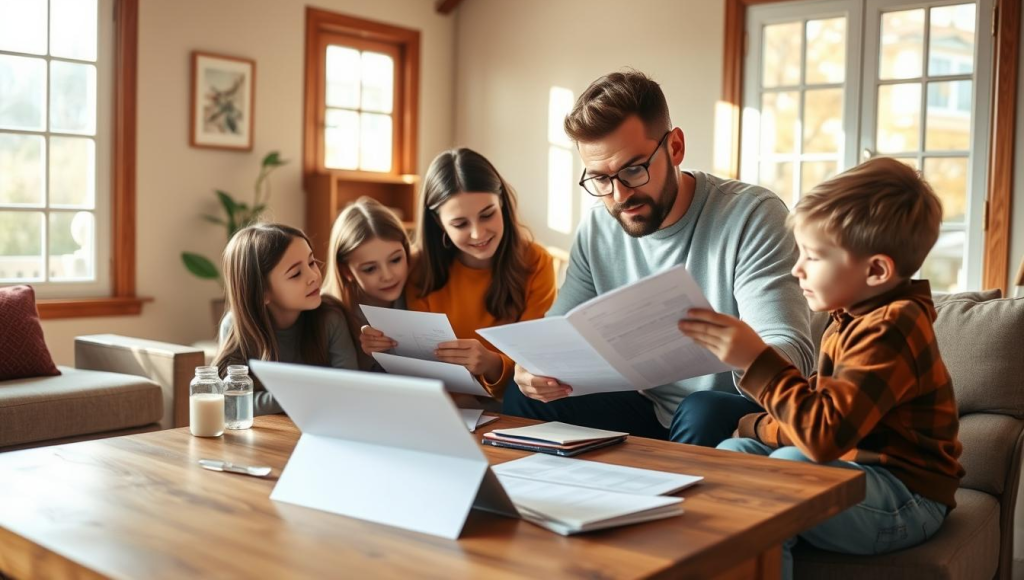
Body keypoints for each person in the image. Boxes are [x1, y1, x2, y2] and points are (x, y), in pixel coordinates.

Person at [680, 157, 963, 579]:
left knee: (785, 471)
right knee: (733, 456)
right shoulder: (848, 318)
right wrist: (754, 428)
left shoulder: (892, 327)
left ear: (876, 270)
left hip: (907, 499)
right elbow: (815, 412)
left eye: (812, 256)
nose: (797, 269)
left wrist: (756, 360)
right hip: (854, 474)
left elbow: (821, 437)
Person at [503, 70, 814, 445]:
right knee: (522, 394)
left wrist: (739, 350)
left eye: (633, 170)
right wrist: (534, 369)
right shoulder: (598, 227)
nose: (618, 196)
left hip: (727, 411)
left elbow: (792, 356)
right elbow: (558, 333)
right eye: (600, 179)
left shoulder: (752, 215)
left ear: (676, 147)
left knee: (701, 409)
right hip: (645, 407)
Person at [360, 148, 557, 398]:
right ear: (439, 223)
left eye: (488, 215)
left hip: (512, 404)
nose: (478, 233)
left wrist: (492, 363)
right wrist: (375, 337)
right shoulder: (418, 266)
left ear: (503, 204)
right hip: (435, 402)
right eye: (460, 224)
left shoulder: (536, 261)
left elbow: (534, 365)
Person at [215, 223, 358, 415]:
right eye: (296, 274)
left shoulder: (330, 318)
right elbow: (231, 405)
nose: (314, 276)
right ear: (262, 292)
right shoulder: (236, 327)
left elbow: (349, 391)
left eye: (312, 262)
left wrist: (290, 396)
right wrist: (308, 393)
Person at [322, 197, 412, 371]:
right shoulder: (329, 314)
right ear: (347, 271)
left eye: (395, 259)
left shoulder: (419, 295)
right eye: (370, 269)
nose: (387, 276)